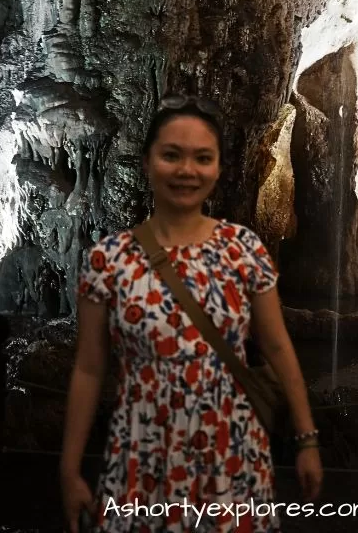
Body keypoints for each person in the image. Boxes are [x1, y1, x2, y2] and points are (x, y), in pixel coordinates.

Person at [60, 95, 323, 533]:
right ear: (147, 162)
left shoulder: (243, 250)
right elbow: (89, 367)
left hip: (231, 448)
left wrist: (307, 438)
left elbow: (277, 347)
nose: (187, 171)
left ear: (218, 169)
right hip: (142, 450)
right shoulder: (108, 259)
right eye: (171, 156)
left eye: (203, 158)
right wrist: (69, 470)